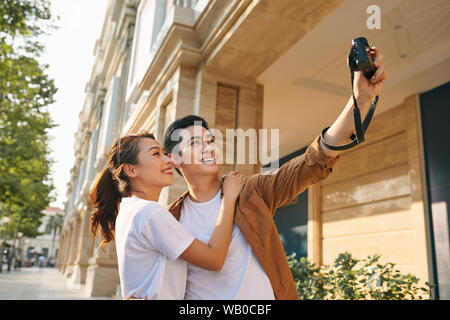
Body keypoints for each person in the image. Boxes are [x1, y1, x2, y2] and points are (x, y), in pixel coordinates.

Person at [162, 47, 386, 299]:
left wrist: (360, 99)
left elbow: (314, 160)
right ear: (176, 159)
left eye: (210, 139)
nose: (208, 147)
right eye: (194, 143)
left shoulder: (250, 191)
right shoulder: (170, 219)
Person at [89, 132, 245, 300]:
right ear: (131, 169)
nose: (168, 160)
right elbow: (214, 259)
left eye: (164, 153)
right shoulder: (149, 213)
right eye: (156, 154)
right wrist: (229, 198)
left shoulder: (129, 211)